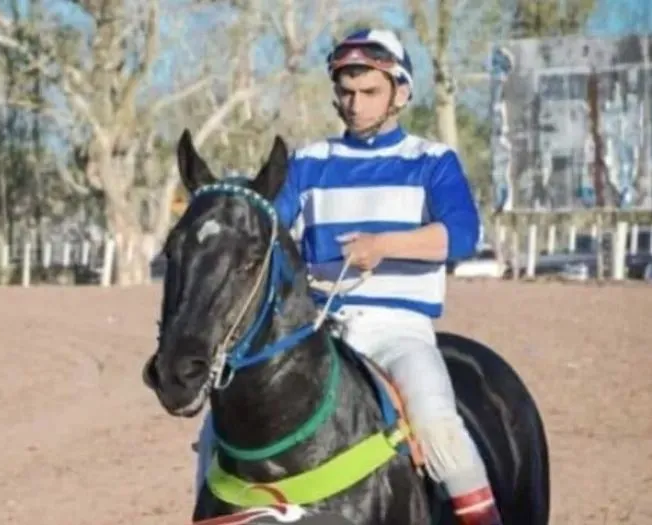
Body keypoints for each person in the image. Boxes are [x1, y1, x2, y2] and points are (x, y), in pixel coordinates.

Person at [195, 28, 501, 525]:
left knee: (439, 428)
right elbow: (268, 231)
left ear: (400, 92)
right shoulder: (309, 162)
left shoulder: (431, 161)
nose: (355, 104)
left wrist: (384, 246)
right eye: (346, 92)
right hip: (317, 333)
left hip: (399, 334)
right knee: (217, 430)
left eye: (369, 92)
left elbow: (462, 236)